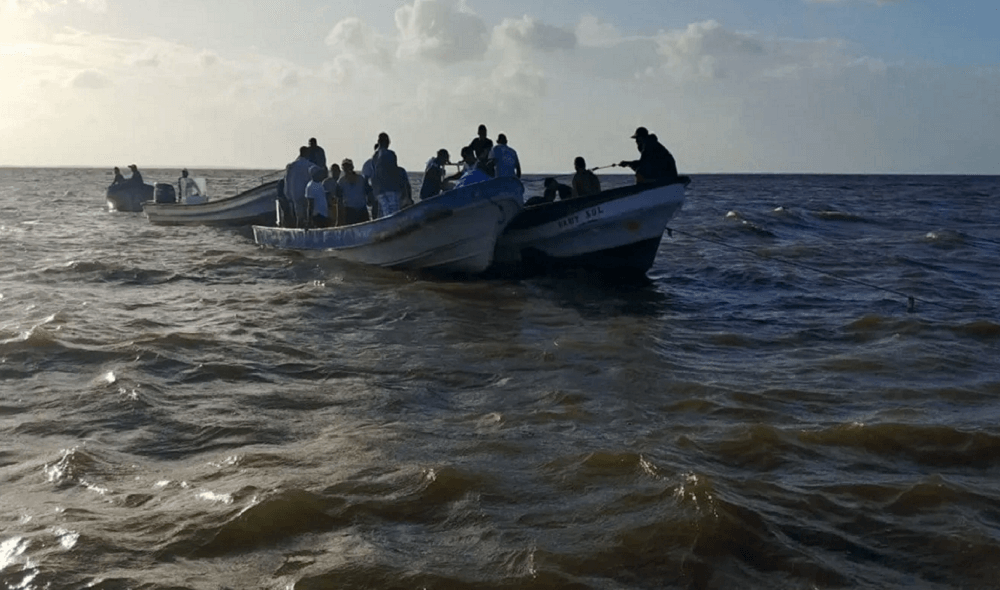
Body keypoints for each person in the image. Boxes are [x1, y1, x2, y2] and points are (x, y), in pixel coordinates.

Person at [371, 132, 405, 219]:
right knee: (394, 215)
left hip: (380, 191)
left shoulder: (375, 156)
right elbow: (394, 171)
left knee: (384, 215)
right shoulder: (390, 154)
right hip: (391, 189)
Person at [336, 158, 372, 225]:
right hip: (350, 211)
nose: (347, 169)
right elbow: (339, 200)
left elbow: (369, 192)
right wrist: (339, 219)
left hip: (362, 209)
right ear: (343, 169)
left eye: (348, 166)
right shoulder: (340, 182)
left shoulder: (361, 179)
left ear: (352, 167)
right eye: (345, 167)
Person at [284, 146, 314, 227]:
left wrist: (288, 194)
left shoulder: (291, 166)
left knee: (299, 216)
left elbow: (287, 181)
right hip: (308, 194)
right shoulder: (310, 165)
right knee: (308, 216)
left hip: (296, 194)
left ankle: (299, 231)